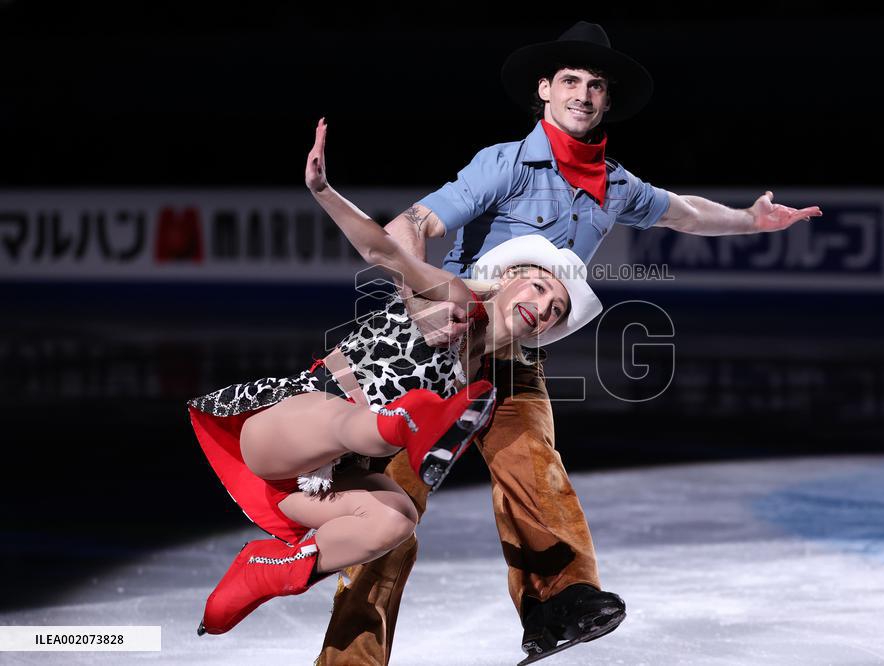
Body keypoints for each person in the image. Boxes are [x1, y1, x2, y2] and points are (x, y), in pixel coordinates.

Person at [316, 21, 823, 664]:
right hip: (439, 358)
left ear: (606, 102)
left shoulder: (615, 185)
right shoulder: (504, 163)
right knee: (386, 518)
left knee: (535, 468)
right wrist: (424, 305)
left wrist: (751, 220)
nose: (583, 94)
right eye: (572, 82)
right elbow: (410, 225)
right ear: (545, 91)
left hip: (517, 359)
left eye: (596, 85)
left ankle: (559, 604)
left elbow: (685, 212)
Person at [189, 118, 605, 637]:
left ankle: (272, 569)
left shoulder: (484, 385)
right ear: (510, 277)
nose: (541, 307)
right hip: (285, 431)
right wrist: (324, 191)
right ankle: (404, 421)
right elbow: (384, 251)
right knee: (349, 421)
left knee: (397, 519)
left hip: (317, 484)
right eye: (539, 287)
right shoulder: (453, 296)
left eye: (555, 310)